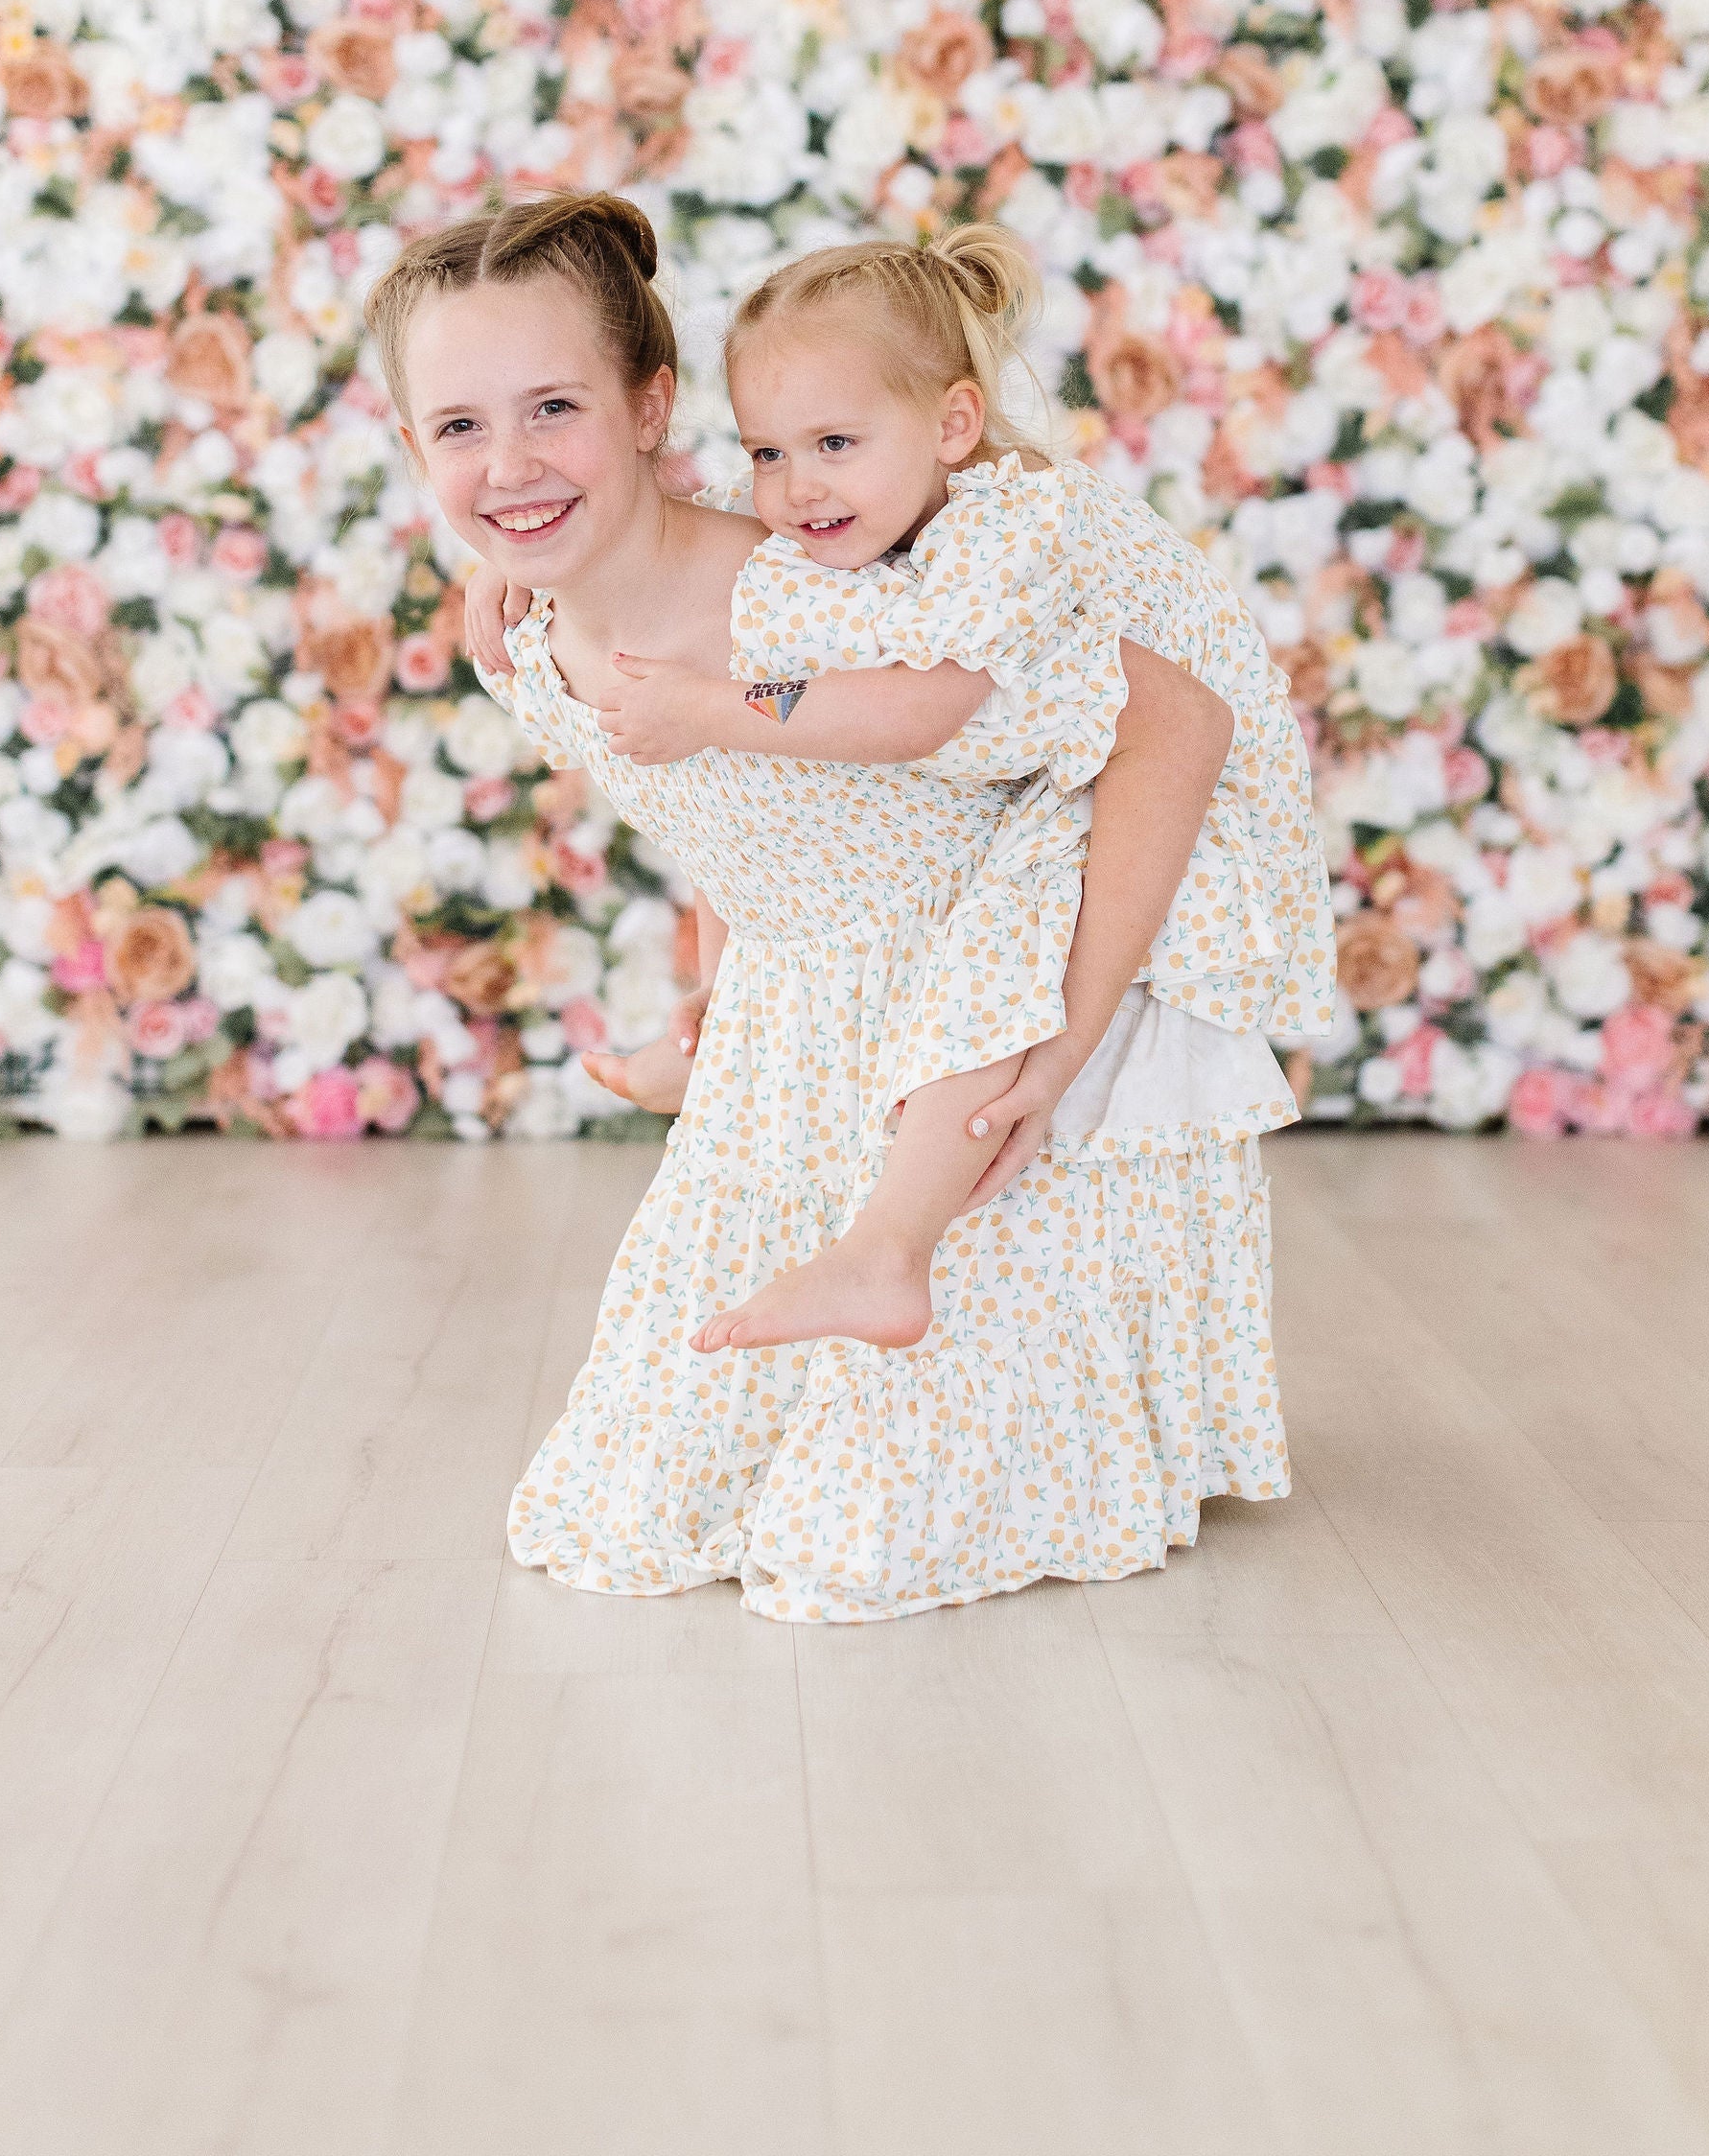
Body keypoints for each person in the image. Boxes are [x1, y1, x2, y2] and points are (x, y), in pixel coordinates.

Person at [370, 189, 1290, 1621]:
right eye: (460, 428)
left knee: (865, 1521)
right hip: (802, 1047)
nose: (510, 464)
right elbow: (730, 820)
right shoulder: (530, 631)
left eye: (554, 407)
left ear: (651, 409)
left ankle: (921, 1269)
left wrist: (1061, 1042)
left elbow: (1170, 721)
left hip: (980, 1014)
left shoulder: (824, 596)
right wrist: (724, 980)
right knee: (639, 1492)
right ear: (414, 447)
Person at [467, 224, 1335, 1358]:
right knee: (796, 805)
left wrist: (708, 706)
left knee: (995, 934)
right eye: (768, 452)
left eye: (830, 442)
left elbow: (926, 710)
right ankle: (720, 1032)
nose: (793, 487)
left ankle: (888, 1252)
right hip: (1059, 749)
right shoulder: (861, 506)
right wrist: (513, 554)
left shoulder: (988, 543)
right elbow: (690, 574)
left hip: (1171, 783)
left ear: (953, 428)